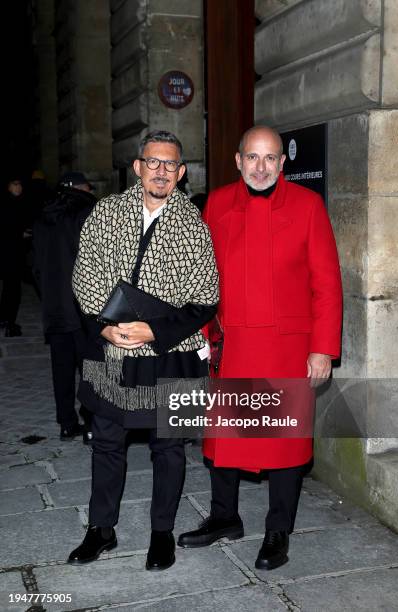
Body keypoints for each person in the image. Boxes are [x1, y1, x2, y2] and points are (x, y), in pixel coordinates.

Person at [178, 125, 343, 570]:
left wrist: (323, 349)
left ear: (282, 163)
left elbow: (326, 285)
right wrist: (198, 330)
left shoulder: (308, 206)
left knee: (285, 444)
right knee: (224, 440)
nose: (261, 166)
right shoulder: (215, 204)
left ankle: (277, 531)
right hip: (230, 345)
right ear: (238, 161)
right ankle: (224, 517)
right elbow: (202, 276)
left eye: (270, 158)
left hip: (286, 348)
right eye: (253, 157)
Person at [68, 131, 218, 570]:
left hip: (172, 352)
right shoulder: (106, 212)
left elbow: (205, 298)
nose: (161, 172)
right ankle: (101, 529)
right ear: (137, 167)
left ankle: (162, 533)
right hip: (111, 351)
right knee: (107, 442)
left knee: (168, 446)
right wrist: (105, 324)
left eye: (170, 165)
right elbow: (85, 272)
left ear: (181, 173)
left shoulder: (194, 225)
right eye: (153, 162)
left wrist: (153, 329)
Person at [33, 171, 96, 442]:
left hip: (55, 306)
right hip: (84, 307)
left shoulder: (42, 217)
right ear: (82, 188)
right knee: (91, 367)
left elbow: (34, 266)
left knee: (61, 367)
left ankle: (66, 423)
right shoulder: (88, 211)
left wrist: (47, 294)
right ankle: (92, 423)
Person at [0, 176, 28, 337]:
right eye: (15, 184)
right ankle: (10, 323)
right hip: (10, 253)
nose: (19, 187)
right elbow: (7, 228)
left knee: (9, 289)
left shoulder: (14, 202)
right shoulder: (9, 204)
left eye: (20, 184)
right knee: (13, 290)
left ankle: (4, 318)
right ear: (8, 186)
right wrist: (20, 234)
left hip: (10, 252)